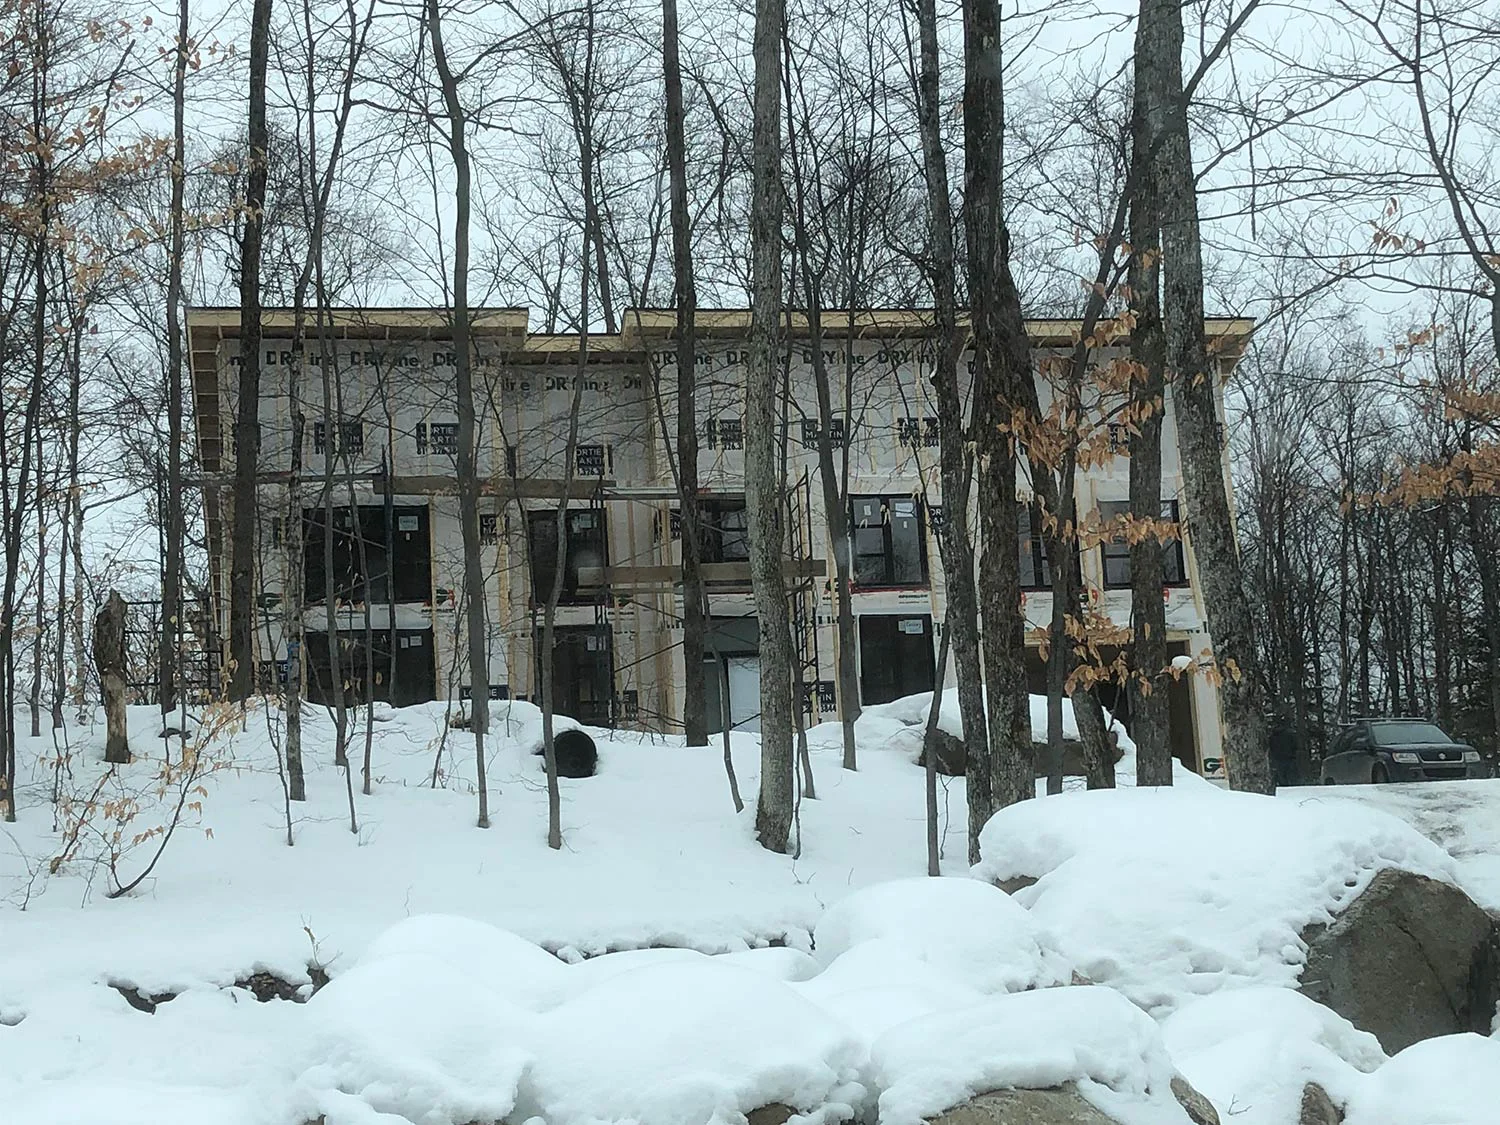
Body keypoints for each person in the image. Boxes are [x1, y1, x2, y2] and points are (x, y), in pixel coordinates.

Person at [1268, 717, 1298, 787]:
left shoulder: (1273, 736)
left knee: (1281, 776)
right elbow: (1295, 745)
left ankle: (1283, 786)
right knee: (1292, 775)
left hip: (1278, 759)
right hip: (1289, 757)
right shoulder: (1289, 734)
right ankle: (1294, 786)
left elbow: (1271, 747)